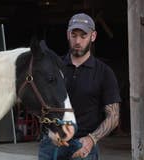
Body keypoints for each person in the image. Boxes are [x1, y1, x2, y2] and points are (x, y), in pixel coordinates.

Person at [38, 13, 121, 160]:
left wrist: (91, 140)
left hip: (83, 146)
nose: (78, 41)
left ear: (93, 36)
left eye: (83, 36)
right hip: (52, 144)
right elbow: (40, 104)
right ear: (67, 35)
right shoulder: (54, 68)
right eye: (74, 35)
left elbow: (113, 116)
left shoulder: (104, 73)